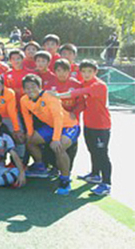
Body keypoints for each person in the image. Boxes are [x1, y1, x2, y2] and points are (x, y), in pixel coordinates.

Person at [55, 60, 112, 196]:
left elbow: (76, 93)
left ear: (95, 72)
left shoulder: (99, 85)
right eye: (84, 71)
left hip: (101, 126)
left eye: (90, 72)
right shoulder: (85, 82)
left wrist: (57, 95)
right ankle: (94, 174)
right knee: (92, 150)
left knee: (102, 154)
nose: (86, 74)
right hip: (89, 124)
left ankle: (106, 183)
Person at [21, 74, 79, 196]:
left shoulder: (49, 96)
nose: (30, 90)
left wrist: (56, 139)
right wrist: (29, 134)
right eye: (27, 87)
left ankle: (65, 180)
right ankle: (41, 167)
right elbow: (27, 118)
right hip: (51, 126)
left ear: (40, 86)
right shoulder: (24, 100)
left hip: (68, 126)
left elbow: (58, 117)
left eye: (33, 86)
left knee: (59, 147)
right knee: (30, 142)